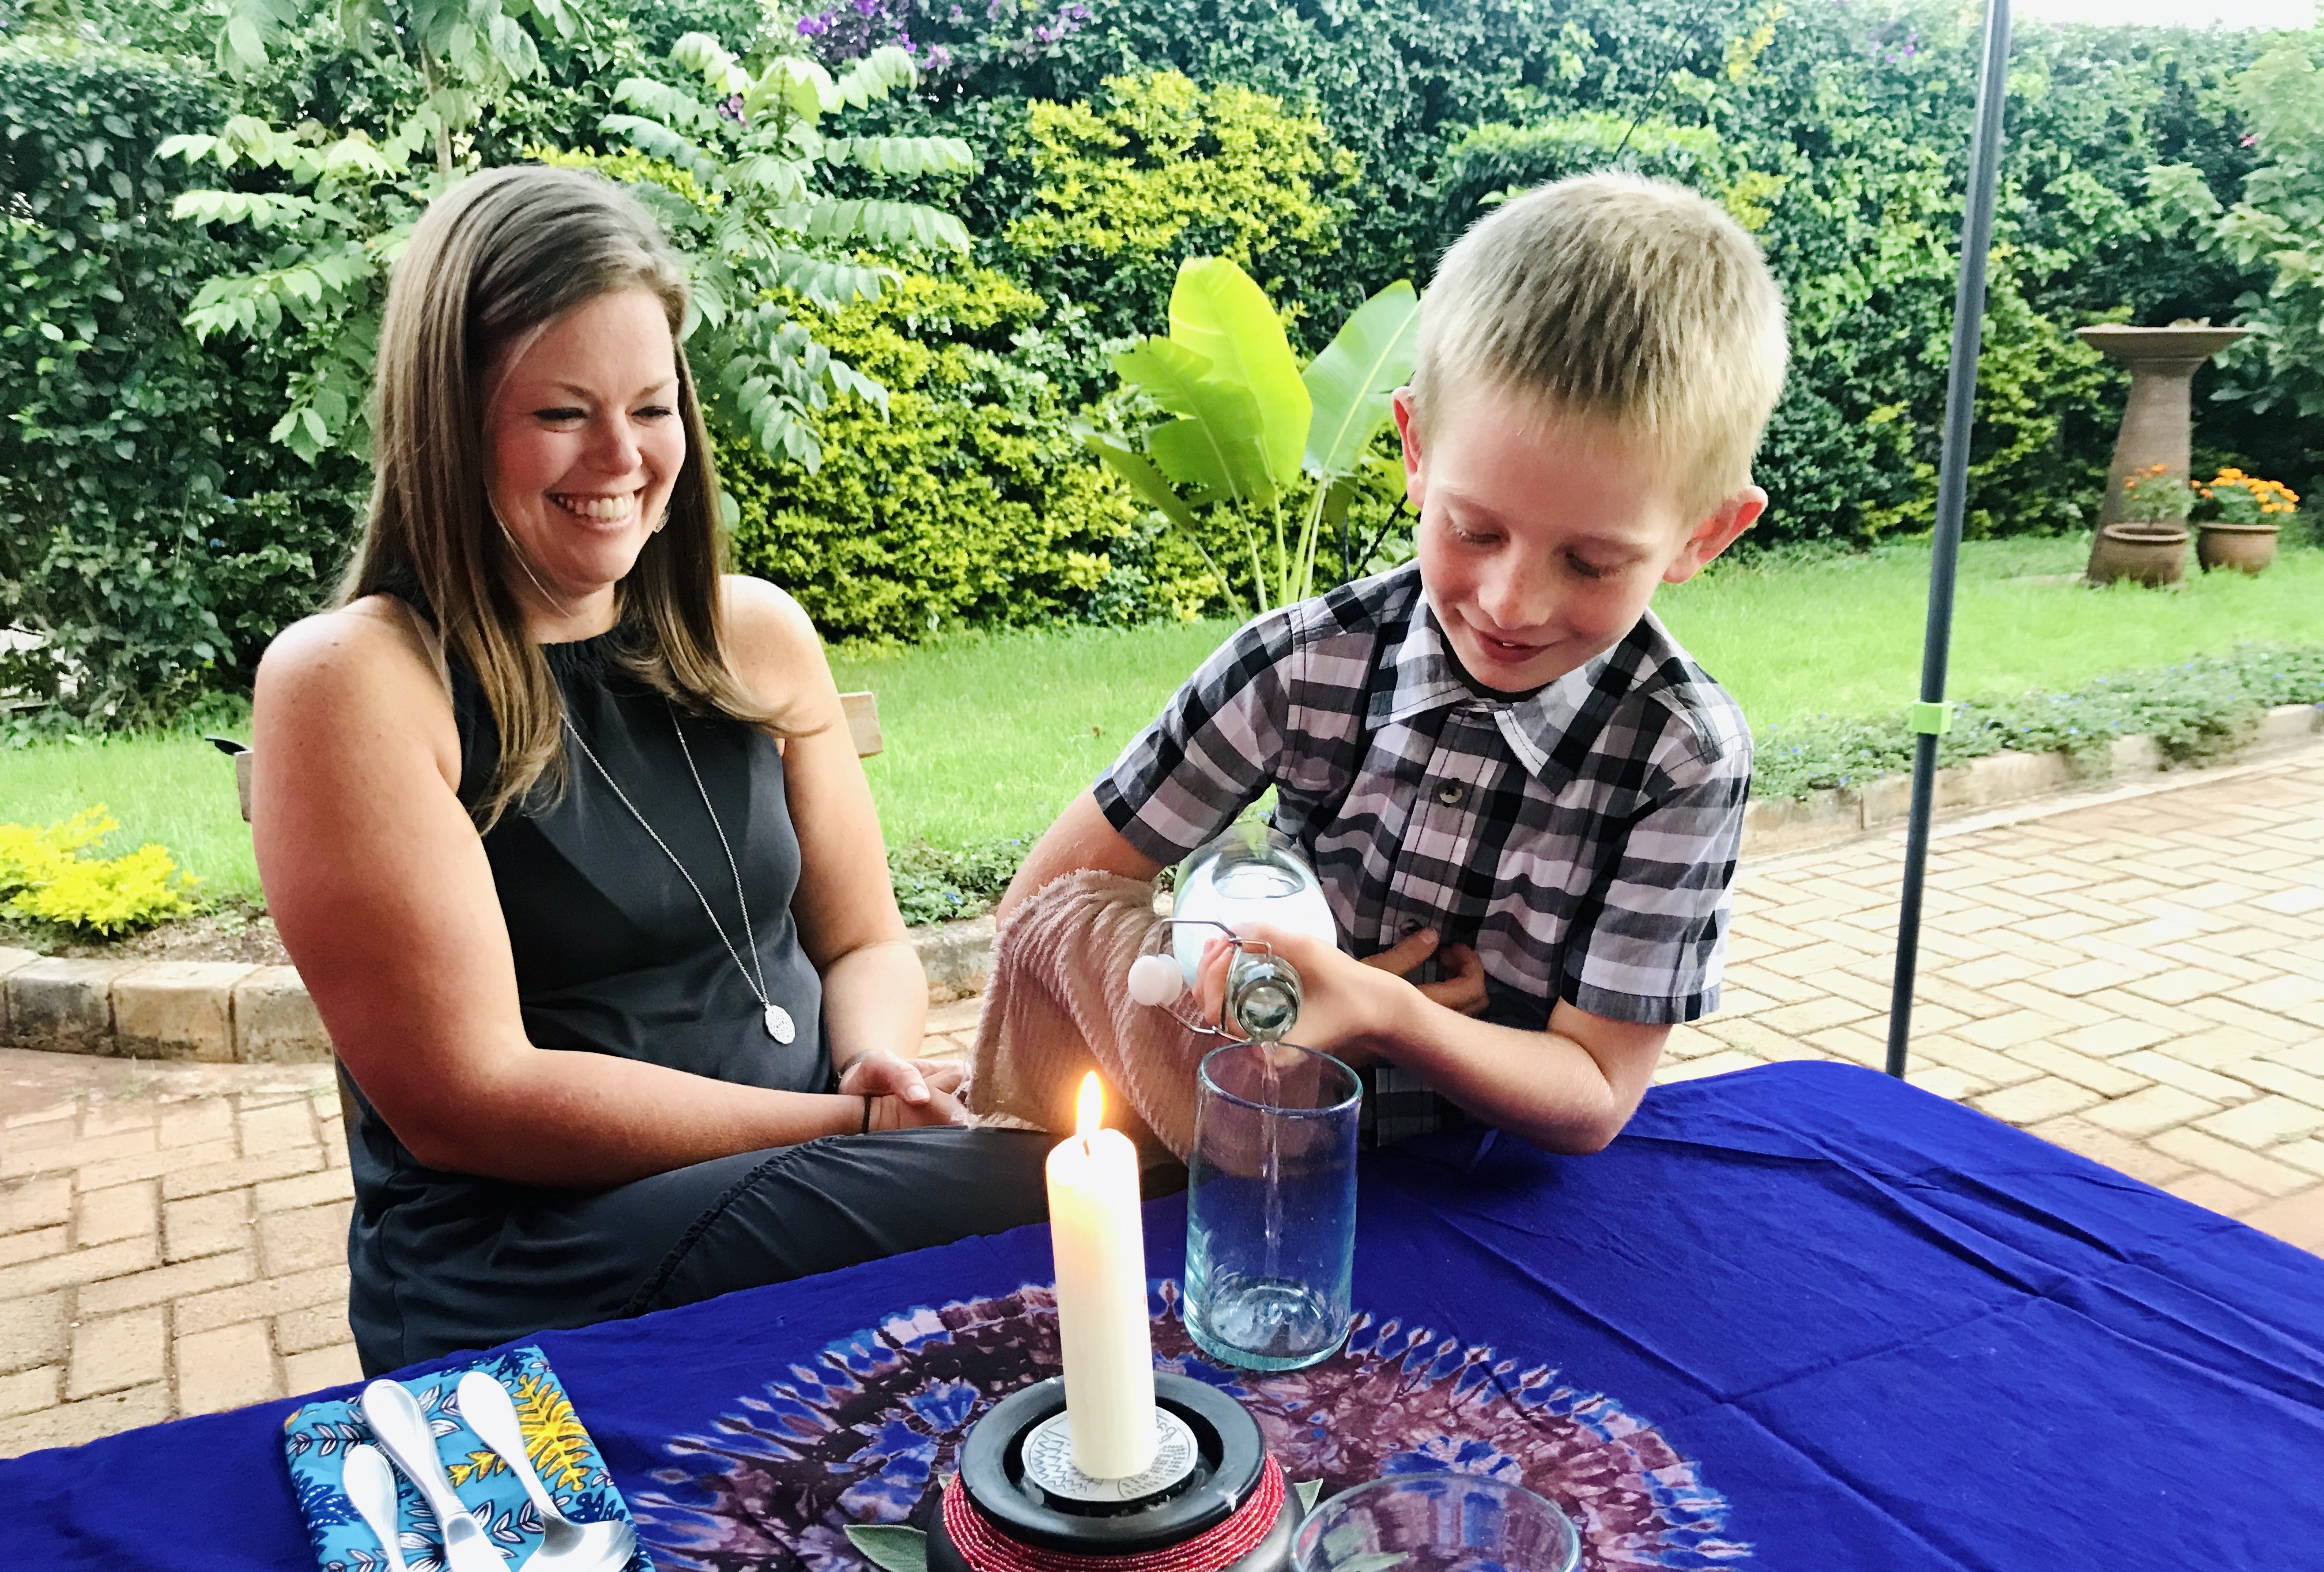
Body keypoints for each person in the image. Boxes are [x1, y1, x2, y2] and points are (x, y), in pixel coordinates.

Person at [252, 167, 1054, 1375]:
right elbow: (471, 1098)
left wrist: (874, 1062)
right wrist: (852, 1125)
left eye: (652, 406)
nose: (621, 456)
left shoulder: (755, 634)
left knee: (1083, 1182)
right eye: (561, 413)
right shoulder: (358, 680)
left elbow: (862, 944)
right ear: (449, 422)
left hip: (812, 1174)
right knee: (1085, 1186)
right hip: (541, 1252)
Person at [987, 173, 1787, 1153]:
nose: (1510, 604)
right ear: (1414, 448)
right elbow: (1044, 906)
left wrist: (1387, 1016)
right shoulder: (1299, 666)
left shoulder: (1682, 755)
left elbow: (1595, 1093)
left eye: (1591, 561)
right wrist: (1231, 983)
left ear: (1706, 534)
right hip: (1249, 1158)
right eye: (1474, 529)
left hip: (1491, 1192)